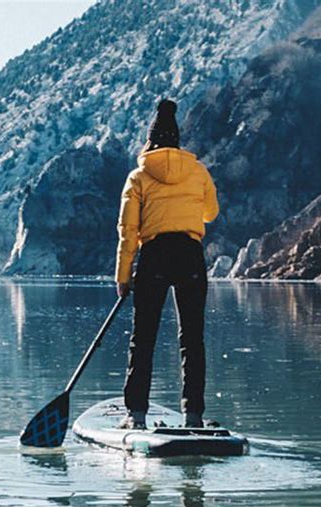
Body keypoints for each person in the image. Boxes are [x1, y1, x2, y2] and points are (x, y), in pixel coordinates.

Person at [115, 99, 219, 429]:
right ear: (177, 139)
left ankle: (136, 416)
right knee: (192, 338)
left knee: (143, 337)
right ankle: (194, 416)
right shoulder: (198, 171)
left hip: (154, 255)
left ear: (150, 140)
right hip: (190, 254)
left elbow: (128, 231)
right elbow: (210, 213)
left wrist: (123, 275)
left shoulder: (138, 177)